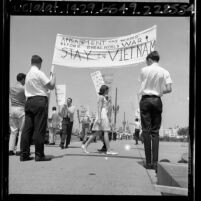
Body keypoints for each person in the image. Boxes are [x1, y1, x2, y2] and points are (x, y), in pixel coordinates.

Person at [138, 51, 172, 172]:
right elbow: (169, 89)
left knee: (146, 131)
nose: (146, 63)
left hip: (145, 100)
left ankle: (148, 162)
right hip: (157, 100)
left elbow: (143, 85)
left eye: (147, 60)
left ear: (150, 59)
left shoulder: (144, 70)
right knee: (155, 132)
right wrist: (160, 91)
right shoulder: (165, 71)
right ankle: (155, 163)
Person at [20, 55, 56, 161]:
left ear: (31, 62)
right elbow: (51, 86)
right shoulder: (39, 73)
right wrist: (53, 77)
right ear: (40, 63)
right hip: (40, 101)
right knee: (39, 128)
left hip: (29, 101)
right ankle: (39, 155)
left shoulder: (28, 75)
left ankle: (24, 154)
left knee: (27, 129)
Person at [81, 85, 118, 155]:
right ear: (104, 90)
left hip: (103, 115)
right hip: (102, 115)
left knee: (96, 133)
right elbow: (99, 108)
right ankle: (109, 150)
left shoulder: (105, 98)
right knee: (106, 131)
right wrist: (99, 118)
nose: (108, 91)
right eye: (107, 90)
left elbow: (109, 108)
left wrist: (109, 101)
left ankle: (85, 146)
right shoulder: (101, 97)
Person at [9, 73, 26, 156]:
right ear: (22, 79)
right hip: (21, 109)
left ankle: (10, 149)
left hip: (12, 109)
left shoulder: (11, 87)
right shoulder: (23, 88)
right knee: (21, 131)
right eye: (25, 79)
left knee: (13, 131)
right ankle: (19, 150)